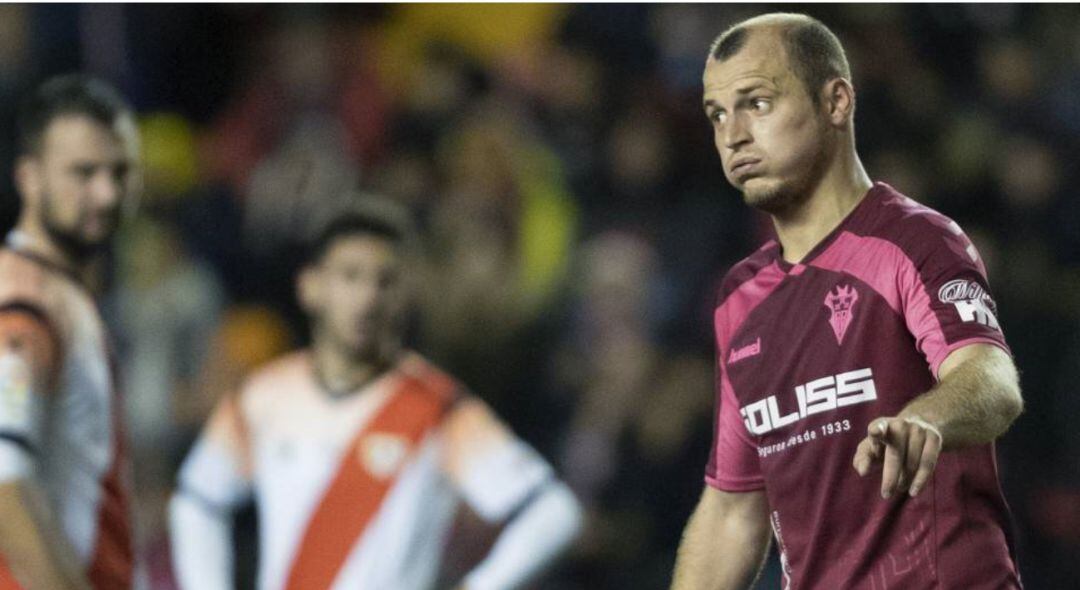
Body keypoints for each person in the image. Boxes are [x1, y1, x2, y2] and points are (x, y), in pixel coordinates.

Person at [671, 13, 1024, 590]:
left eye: (756, 103)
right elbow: (734, 510)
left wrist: (925, 418)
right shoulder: (739, 299)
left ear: (836, 101)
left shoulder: (912, 240)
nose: (732, 134)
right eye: (716, 113)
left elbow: (991, 379)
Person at [169, 202, 582, 590]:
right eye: (350, 276)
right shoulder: (265, 395)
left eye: (385, 281)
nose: (367, 299)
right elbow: (197, 501)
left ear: (407, 295)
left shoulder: (436, 408)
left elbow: (551, 512)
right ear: (310, 286)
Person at [0, 75, 140, 589]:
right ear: (29, 177)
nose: (106, 194)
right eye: (83, 173)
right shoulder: (24, 306)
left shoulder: (56, 296)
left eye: (120, 172)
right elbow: (3, 480)